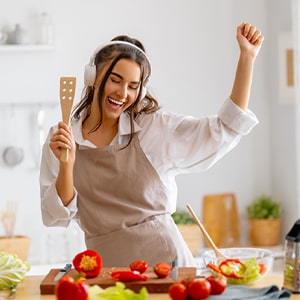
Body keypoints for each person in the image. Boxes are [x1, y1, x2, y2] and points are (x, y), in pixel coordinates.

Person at [40, 22, 264, 267]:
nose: (123, 93)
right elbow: (55, 217)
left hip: (169, 268)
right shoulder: (62, 137)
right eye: (115, 80)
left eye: (133, 86)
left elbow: (223, 129)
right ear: (92, 76)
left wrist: (247, 57)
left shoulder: (153, 129)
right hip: (107, 274)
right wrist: (67, 165)